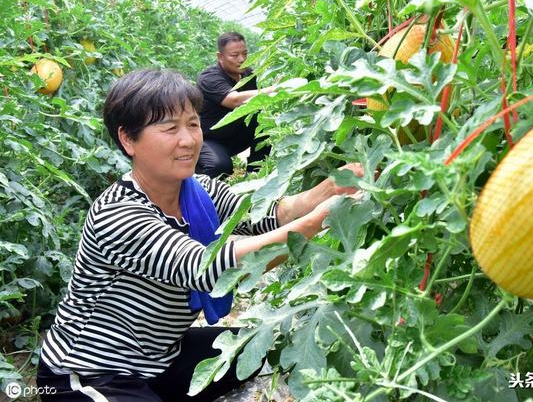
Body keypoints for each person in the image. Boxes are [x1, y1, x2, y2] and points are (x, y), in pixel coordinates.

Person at [37, 69, 363, 401]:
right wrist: (324, 220)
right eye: (169, 128)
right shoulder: (118, 214)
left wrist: (326, 190)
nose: (189, 140)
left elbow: (265, 215)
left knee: (255, 349)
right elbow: (209, 269)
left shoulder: (198, 191)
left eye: (193, 124)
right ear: (128, 139)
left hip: (162, 357)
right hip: (93, 370)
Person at [196, 32, 274, 178]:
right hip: (209, 140)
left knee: (266, 124)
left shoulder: (249, 75)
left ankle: (255, 176)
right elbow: (235, 100)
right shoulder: (210, 77)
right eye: (234, 55)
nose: (242, 59)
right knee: (219, 167)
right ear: (220, 57)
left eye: (245, 53)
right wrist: (275, 89)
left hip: (236, 136)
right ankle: (200, 190)